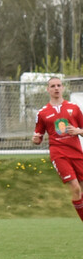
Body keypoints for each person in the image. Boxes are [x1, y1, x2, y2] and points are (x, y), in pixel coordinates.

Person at [32, 76, 83, 221]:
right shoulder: (42, 113)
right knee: (75, 188)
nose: (56, 88)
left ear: (63, 88)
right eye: (53, 86)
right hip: (59, 154)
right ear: (47, 90)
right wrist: (35, 139)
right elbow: (38, 136)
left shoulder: (74, 108)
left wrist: (78, 131)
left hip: (77, 152)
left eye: (58, 85)